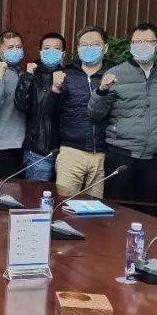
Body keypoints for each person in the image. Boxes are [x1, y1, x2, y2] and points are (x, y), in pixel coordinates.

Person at [88, 22, 157, 203]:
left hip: (154, 157)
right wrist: (102, 90)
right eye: (137, 42)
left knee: (150, 210)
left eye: (147, 41)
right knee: (117, 209)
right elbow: (95, 114)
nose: (142, 46)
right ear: (131, 45)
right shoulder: (116, 73)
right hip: (121, 154)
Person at [53, 26, 113, 197]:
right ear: (78, 48)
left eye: (95, 44)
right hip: (71, 151)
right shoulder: (66, 75)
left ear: (105, 48)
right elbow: (52, 111)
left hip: (102, 153)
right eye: (84, 45)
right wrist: (55, 89)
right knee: (64, 204)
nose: (89, 48)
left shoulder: (113, 75)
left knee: (96, 208)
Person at [14, 32, 65, 182]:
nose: (51, 52)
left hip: (66, 152)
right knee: (36, 194)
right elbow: (20, 104)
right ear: (40, 52)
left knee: (61, 195)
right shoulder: (33, 75)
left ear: (63, 53)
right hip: (38, 149)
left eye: (56, 49)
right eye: (47, 48)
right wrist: (28, 76)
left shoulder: (69, 75)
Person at [0, 31, 27, 178]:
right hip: (1, 148)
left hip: (22, 146)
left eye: (19, 47)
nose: (16, 50)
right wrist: (0, 76)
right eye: (10, 47)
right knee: (1, 190)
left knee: (21, 190)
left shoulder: (23, 74)